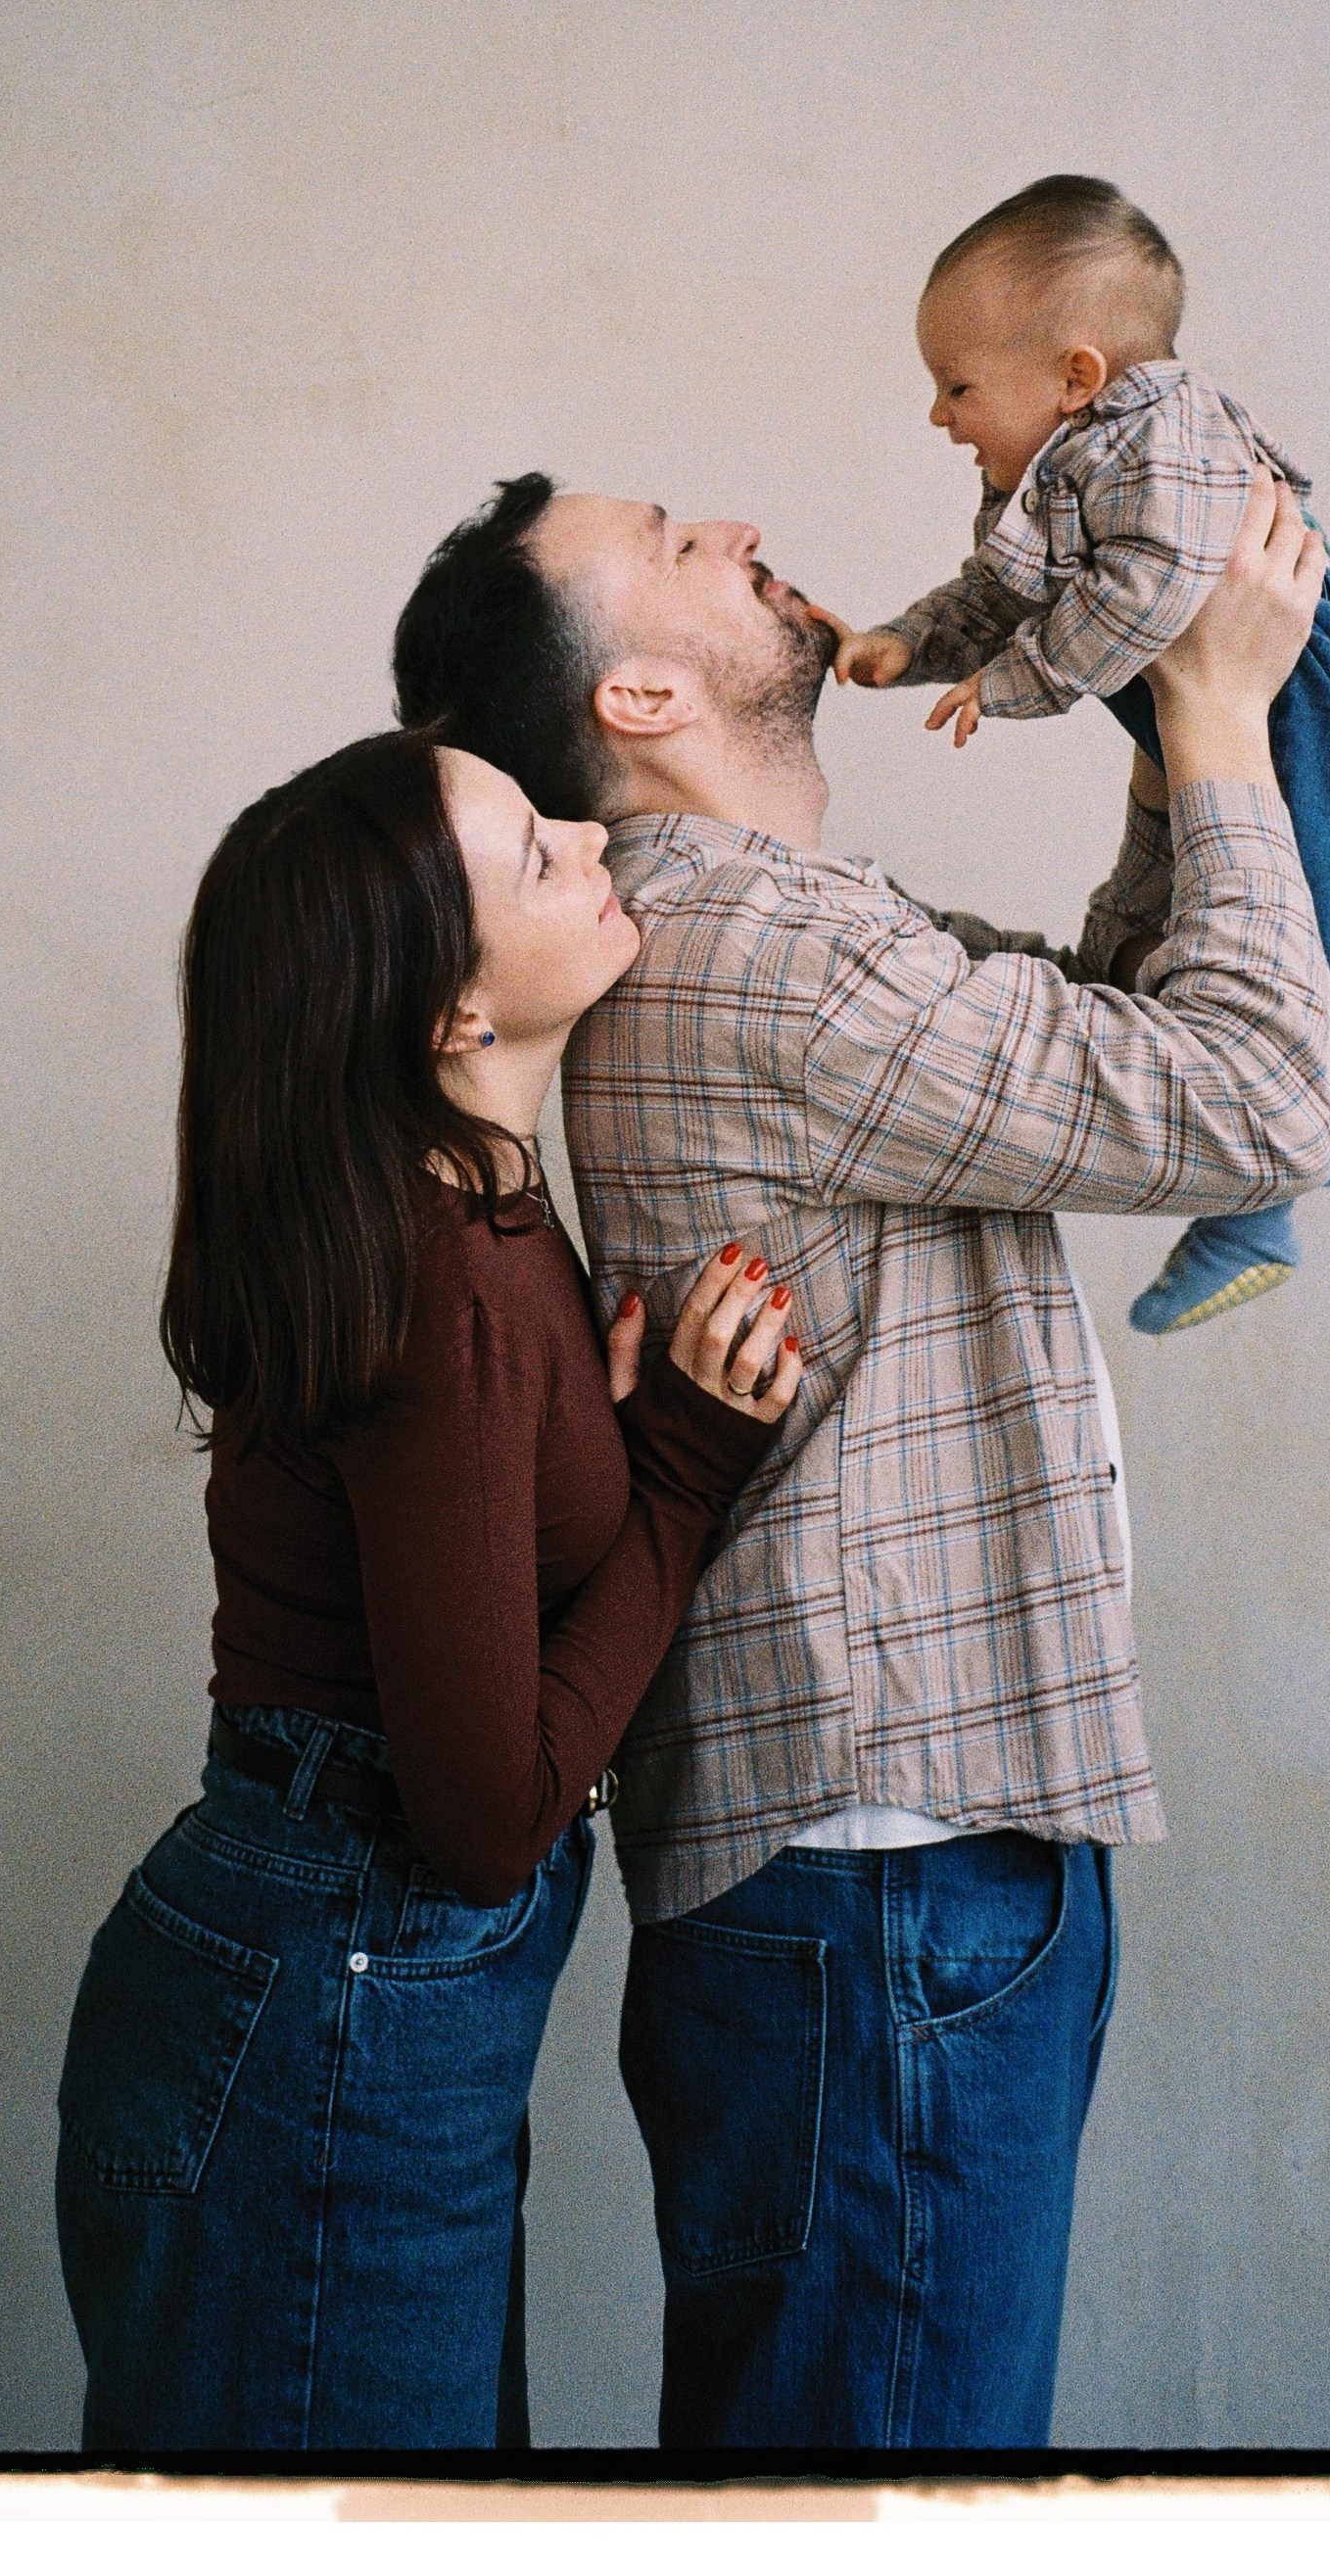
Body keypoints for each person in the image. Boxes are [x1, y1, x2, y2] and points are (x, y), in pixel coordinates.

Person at [391, 468, 1330, 2449]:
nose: (736, 523)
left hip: (873, 1881)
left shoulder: (783, 935)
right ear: (637, 697)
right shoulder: (763, 958)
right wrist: (1225, 723)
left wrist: (1178, 753)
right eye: (670, 541)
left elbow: (1099, 1028)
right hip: (882, 1887)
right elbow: (1245, 1097)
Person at [53, 727, 804, 2456]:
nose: (580, 831)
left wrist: (600, 1456)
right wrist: (682, 1471)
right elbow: (481, 1817)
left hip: (316, 1978)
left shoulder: (466, 1218)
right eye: (532, 852)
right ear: (451, 1017)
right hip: (333, 1985)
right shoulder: (450, 1267)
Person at [811, 176, 1330, 1336]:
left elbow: (1147, 599)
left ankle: (1260, 1211)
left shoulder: (1165, 442)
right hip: (1239, 720)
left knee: (1311, 968)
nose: (941, 416)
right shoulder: (1064, 467)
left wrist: (1019, 682)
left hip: (1327, 731)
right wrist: (913, 643)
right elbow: (1003, 589)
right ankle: (1225, 1148)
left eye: (956, 385)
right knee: (1184, 939)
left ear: (1076, 377)